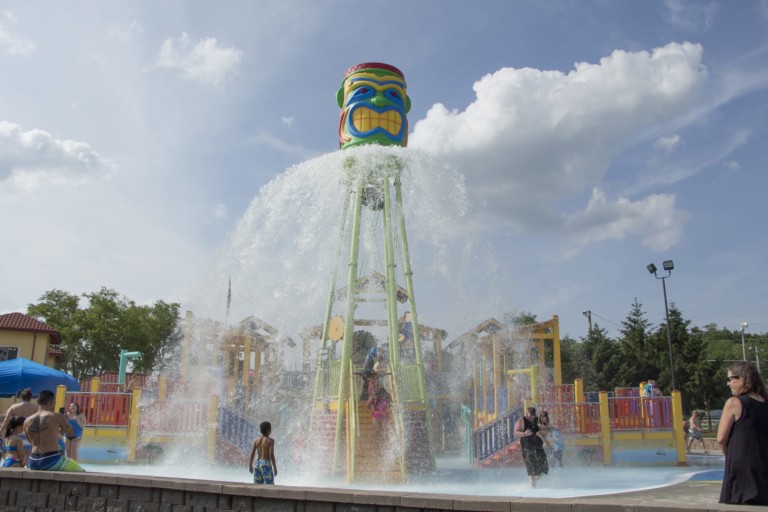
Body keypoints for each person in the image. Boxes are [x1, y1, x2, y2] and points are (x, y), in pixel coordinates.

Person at [717, 361, 768, 505]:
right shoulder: (765, 402)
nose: (728, 384)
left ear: (741, 379)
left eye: (730, 379)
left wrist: (730, 455)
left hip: (742, 468)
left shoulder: (734, 403)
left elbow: (721, 439)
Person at [23, 390, 84, 472]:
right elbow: (70, 432)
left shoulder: (27, 421)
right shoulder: (56, 416)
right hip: (50, 460)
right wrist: (65, 419)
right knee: (81, 471)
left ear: (38, 402)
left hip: (33, 461)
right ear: (50, 402)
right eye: (54, 402)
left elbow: (30, 441)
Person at [514, 406, 549, 487]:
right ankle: (532, 487)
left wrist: (548, 429)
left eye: (533, 416)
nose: (532, 418)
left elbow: (545, 426)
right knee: (532, 469)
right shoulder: (521, 421)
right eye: (530, 416)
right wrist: (524, 434)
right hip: (527, 449)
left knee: (545, 468)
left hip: (539, 448)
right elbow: (515, 432)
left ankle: (534, 483)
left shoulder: (537, 420)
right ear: (526, 414)